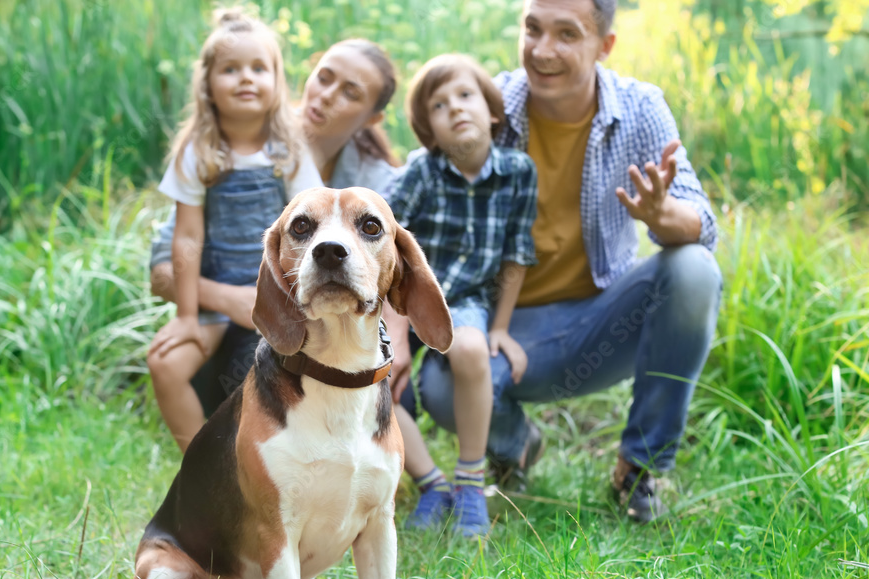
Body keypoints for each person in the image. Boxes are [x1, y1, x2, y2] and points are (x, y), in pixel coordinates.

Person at [392, 0, 722, 523]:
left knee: (694, 269)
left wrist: (661, 214)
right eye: (532, 29)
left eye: (567, 34)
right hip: (507, 328)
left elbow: (701, 221)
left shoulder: (639, 108)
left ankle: (638, 469)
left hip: (602, 320)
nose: (542, 51)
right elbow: (413, 183)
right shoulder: (488, 103)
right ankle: (515, 444)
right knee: (442, 386)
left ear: (604, 45)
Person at [148, 38, 404, 426]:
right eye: (324, 78)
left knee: (384, 388)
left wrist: (394, 341)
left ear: (372, 117)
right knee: (247, 366)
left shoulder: (377, 181)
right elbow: (163, 270)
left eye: (350, 92)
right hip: (249, 316)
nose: (327, 96)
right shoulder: (235, 144)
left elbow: (396, 264)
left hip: (339, 330)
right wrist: (227, 297)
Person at [147, 8, 323, 452]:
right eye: (230, 69)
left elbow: (313, 227)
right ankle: (200, 466)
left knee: (263, 383)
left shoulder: (288, 151)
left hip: (272, 293)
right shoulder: (197, 152)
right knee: (164, 364)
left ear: (276, 82)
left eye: (258, 68)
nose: (246, 78)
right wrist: (187, 316)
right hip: (212, 300)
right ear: (207, 85)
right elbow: (186, 237)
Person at [386, 55, 537, 538]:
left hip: (465, 301)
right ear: (428, 129)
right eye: (439, 105)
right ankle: (432, 483)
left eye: (466, 96)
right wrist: (400, 337)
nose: (455, 109)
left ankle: (471, 482)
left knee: (471, 348)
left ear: (493, 110)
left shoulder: (518, 172)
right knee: (376, 374)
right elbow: (385, 245)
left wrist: (499, 328)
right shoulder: (423, 173)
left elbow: (517, 254)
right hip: (406, 296)